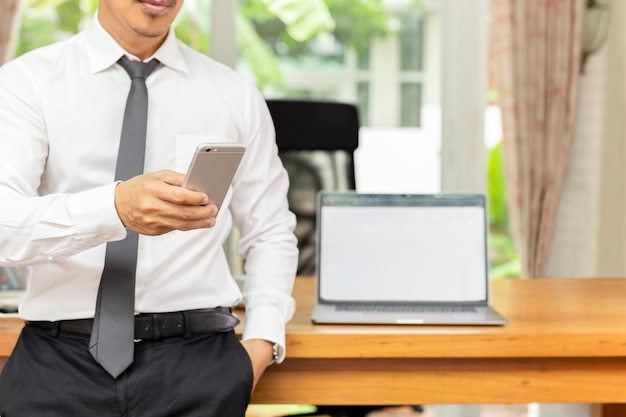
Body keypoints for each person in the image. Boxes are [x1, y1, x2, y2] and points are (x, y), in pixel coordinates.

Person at [0, 0, 298, 415]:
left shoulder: (233, 94)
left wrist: (261, 344)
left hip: (199, 367)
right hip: (56, 366)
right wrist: (114, 208)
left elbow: (270, 231)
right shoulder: (26, 82)